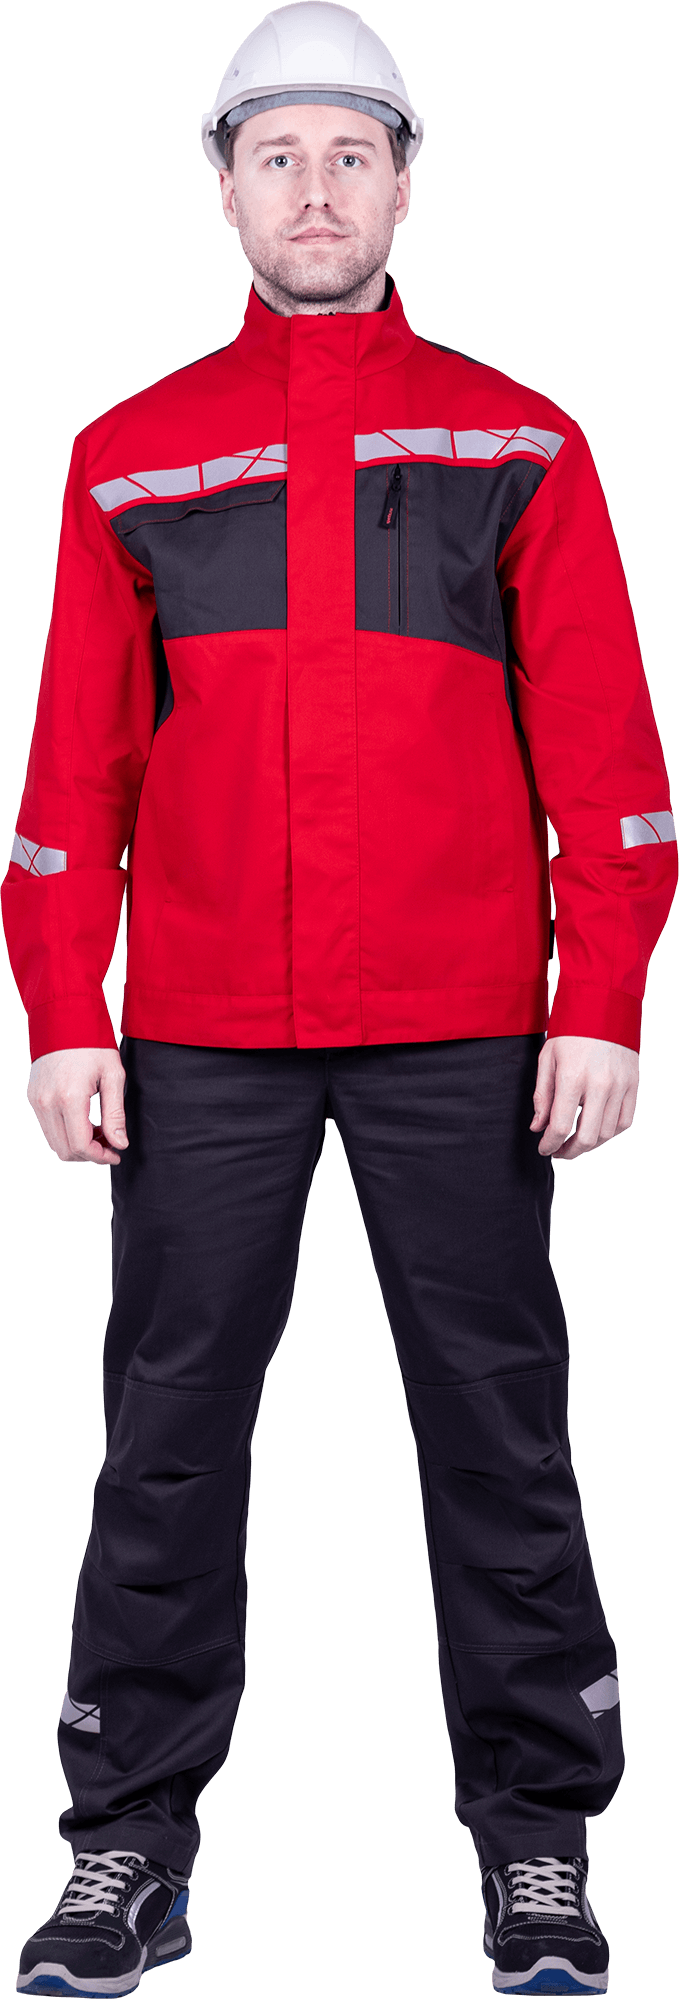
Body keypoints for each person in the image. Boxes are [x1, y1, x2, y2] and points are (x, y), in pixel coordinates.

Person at [5, 4, 676, 1994]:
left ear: (405, 180)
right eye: (277, 155)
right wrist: (62, 1007)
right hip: (197, 1025)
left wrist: (602, 995)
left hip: (467, 1021)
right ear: (223, 190)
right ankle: (128, 1841)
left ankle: (538, 1837)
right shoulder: (128, 453)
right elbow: (73, 769)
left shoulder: (521, 439)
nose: (315, 189)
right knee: (165, 1433)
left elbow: (607, 750)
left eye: (350, 154)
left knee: (499, 1429)